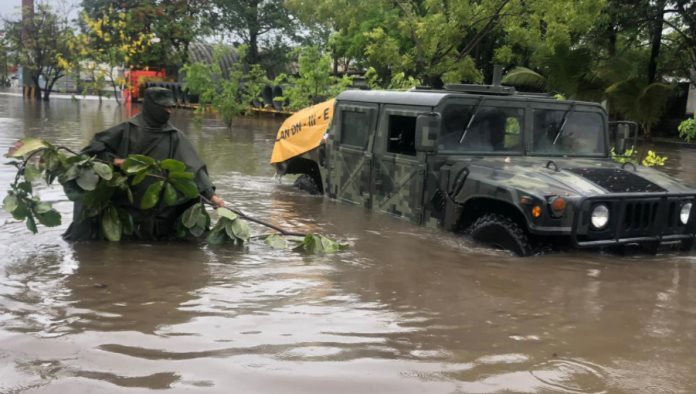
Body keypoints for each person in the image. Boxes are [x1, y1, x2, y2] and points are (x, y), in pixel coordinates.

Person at [63, 87, 224, 241]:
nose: (169, 111)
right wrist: (116, 161)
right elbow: (90, 154)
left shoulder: (175, 137)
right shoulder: (126, 130)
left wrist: (211, 196)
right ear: (152, 107)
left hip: (159, 211)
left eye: (171, 107)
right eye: (165, 107)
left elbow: (194, 169)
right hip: (125, 207)